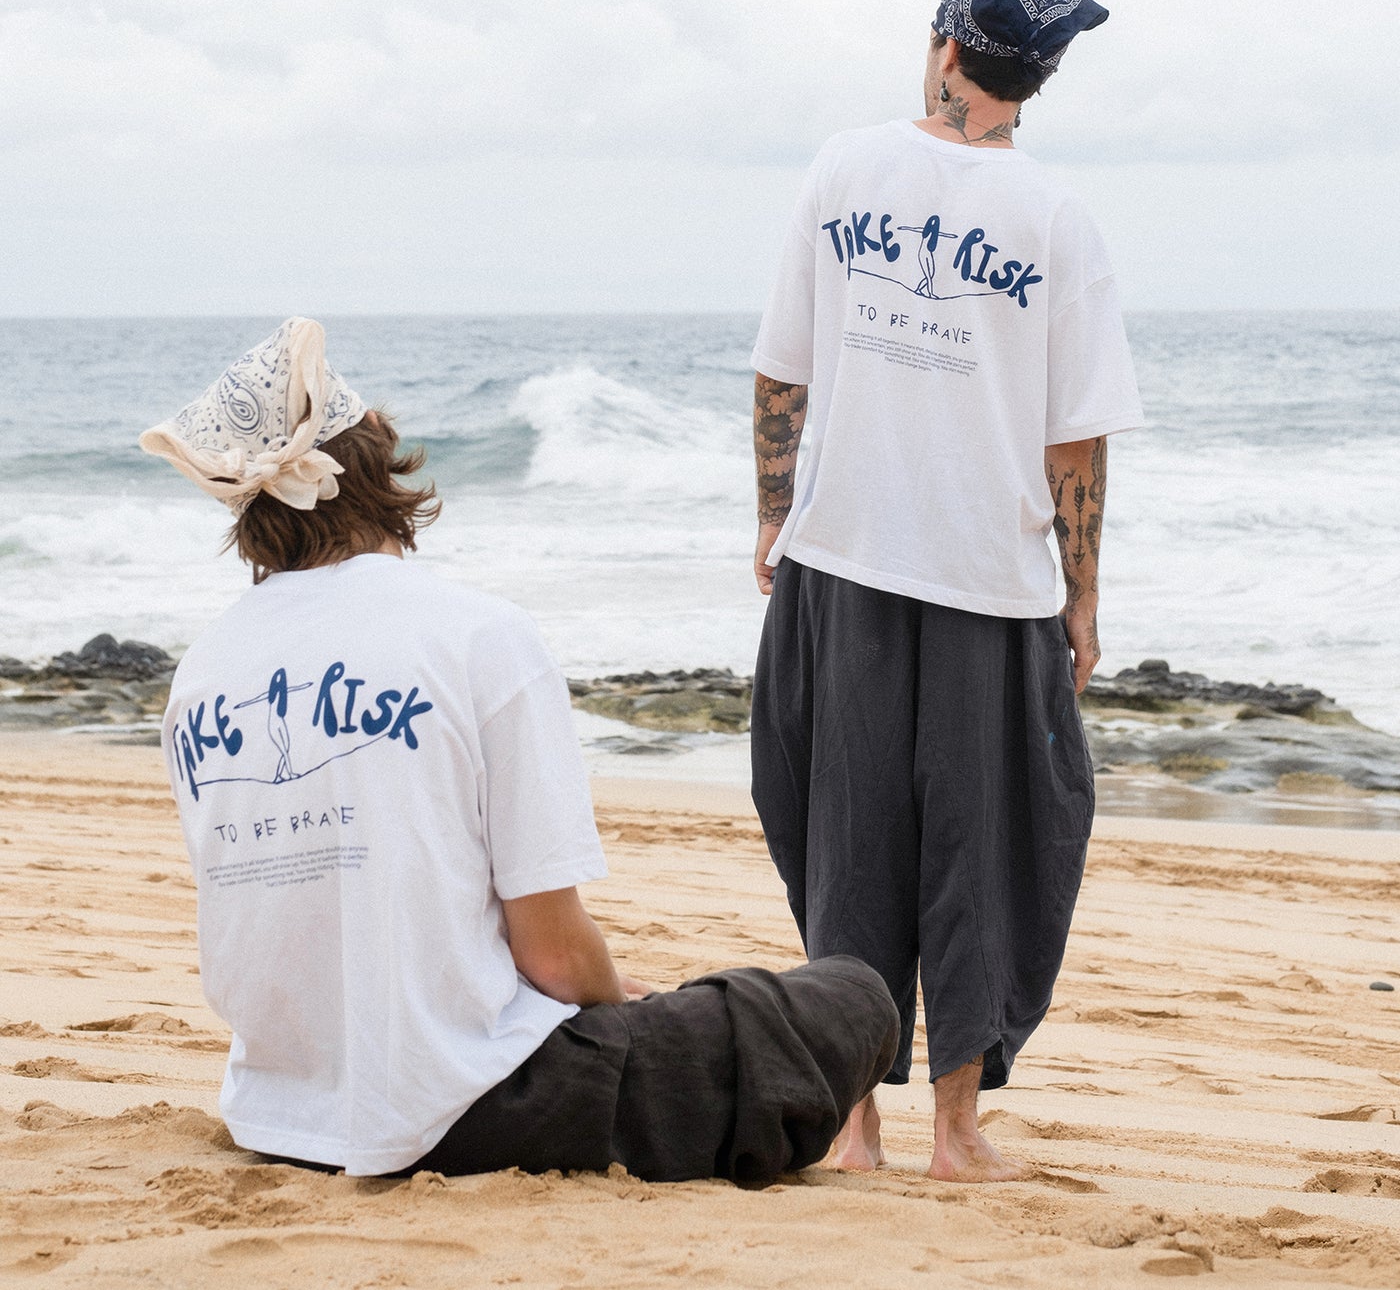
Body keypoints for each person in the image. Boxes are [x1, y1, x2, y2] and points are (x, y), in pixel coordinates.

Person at [142, 317, 898, 1181]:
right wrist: (618, 1001)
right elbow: (552, 956)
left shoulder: (203, 671)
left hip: (282, 1110)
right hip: (468, 1103)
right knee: (845, 994)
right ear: (379, 468)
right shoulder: (475, 635)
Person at [748, 0, 1143, 1181]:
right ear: (1031, 82)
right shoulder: (1055, 219)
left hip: (845, 554)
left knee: (844, 835)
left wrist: (769, 514)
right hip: (987, 572)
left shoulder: (840, 165)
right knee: (989, 848)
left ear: (941, 48)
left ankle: (854, 1128)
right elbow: (1072, 433)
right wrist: (1081, 590)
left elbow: (780, 371)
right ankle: (955, 1133)